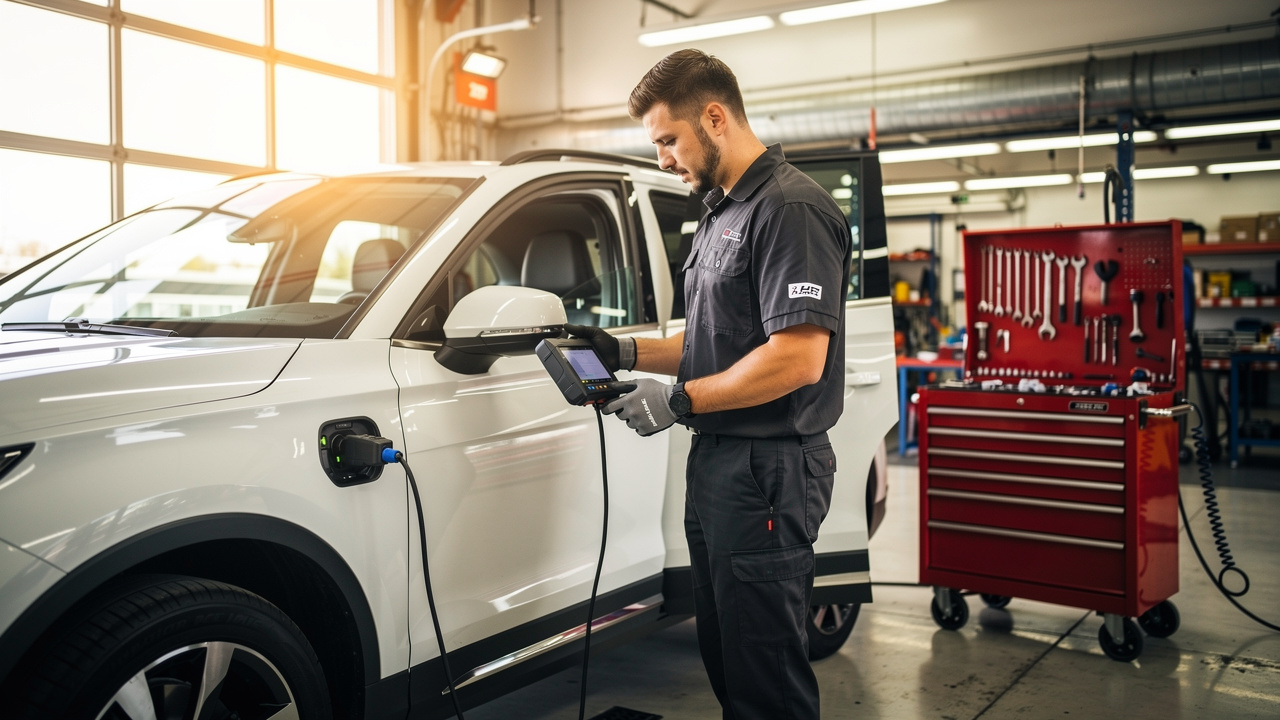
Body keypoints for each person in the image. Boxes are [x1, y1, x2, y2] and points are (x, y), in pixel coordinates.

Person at [567, 48, 852, 719]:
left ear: (715, 118)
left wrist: (677, 400)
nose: (662, 157)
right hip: (720, 464)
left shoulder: (790, 210)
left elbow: (797, 359)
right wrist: (625, 348)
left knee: (766, 682)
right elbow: (711, 344)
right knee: (728, 662)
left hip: (770, 470)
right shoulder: (721, 212)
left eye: (668, 139)